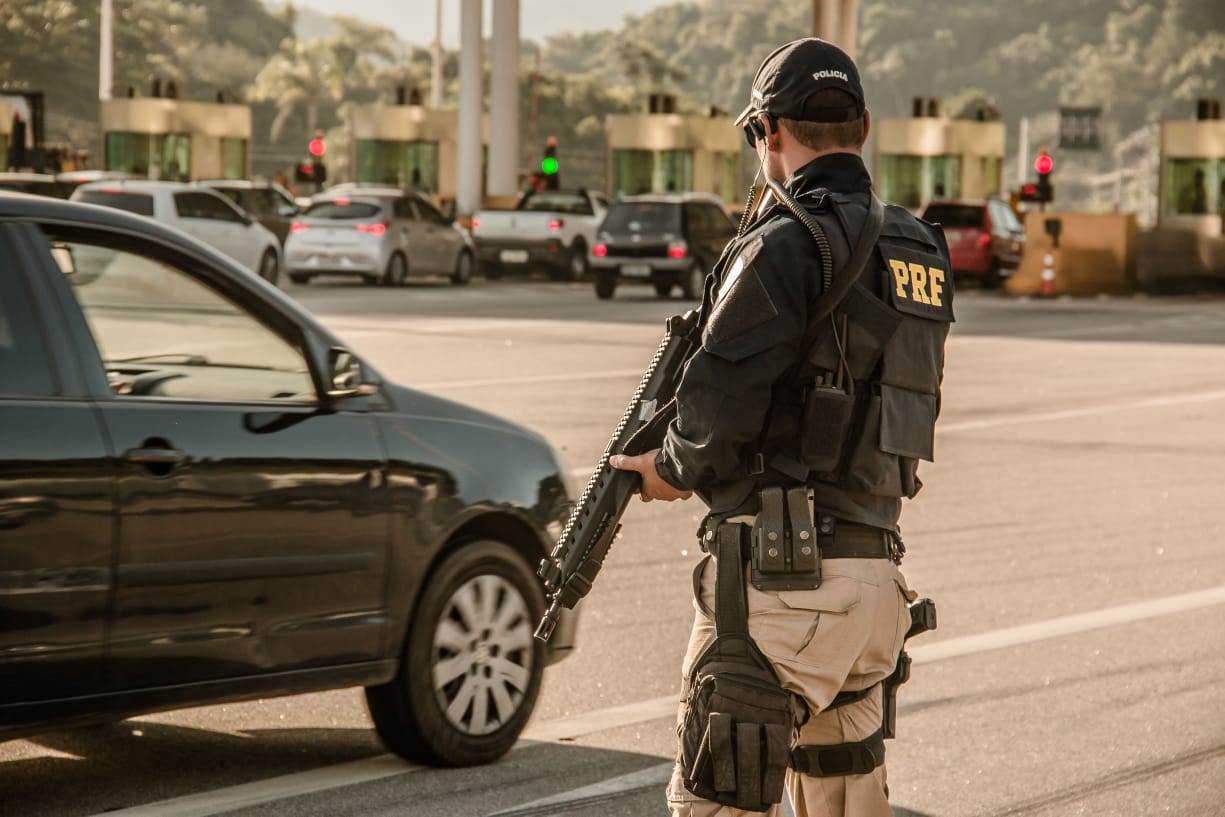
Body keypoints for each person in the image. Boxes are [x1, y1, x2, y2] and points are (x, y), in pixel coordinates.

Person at [610, 38, 954, 817]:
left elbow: (718, 409)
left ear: (766, 130)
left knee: (713, 804)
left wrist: (667, 467)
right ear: (862, 127)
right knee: (841, 803)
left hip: (783, 589)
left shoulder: (781, 242)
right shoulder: (918, 248)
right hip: (874, 585)